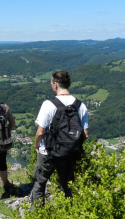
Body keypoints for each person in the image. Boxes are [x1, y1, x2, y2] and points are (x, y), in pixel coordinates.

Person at [30, 71, 89, 210]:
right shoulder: (81, 106)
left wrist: (37, 145)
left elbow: (40, 131)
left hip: (48, 153)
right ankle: (67, 212)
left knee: (40, 184)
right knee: (67, 185)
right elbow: (85, 135)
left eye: (51, 83)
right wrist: (72, 146)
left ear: (55, 84)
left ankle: (37, 214)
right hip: (69, 154)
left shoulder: (48, 104)